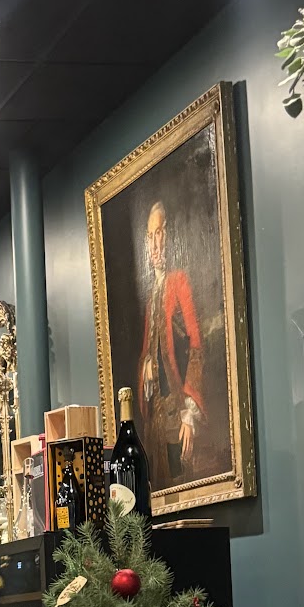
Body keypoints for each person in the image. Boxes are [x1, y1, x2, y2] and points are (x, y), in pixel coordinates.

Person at [136, 199, 205, 488]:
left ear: (169, 235)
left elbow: (196, 347)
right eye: (150, 236)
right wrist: (146, 368)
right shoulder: (151, 296)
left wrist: (190, 413)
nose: (154, 244)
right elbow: (147, 352)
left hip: (178, 413)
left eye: (159, 233)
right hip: (156, 422)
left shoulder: (179, 282)